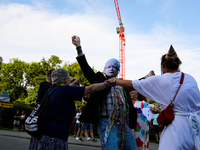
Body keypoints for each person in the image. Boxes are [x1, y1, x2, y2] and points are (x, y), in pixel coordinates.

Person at [107, 45, 200, 150]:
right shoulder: (190, 79)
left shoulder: (162, 80)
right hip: (196, 129)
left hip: (177, 131)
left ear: (163, 66)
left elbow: (134, 84)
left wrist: (114, 81)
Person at [72, 35, 140, 150]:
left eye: (115, 67)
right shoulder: (99, 79)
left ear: (118, 70)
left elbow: (138, 83)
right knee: (111, 147)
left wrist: (148, 76)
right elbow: (86, 68)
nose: (112, 69)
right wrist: (78, 47)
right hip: (107, 122)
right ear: (104, 69)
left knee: (132, 147)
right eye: (109, 66)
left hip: (123, 124)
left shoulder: (122, 83)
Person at [29, 68, 111, 150]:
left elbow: (64, 90)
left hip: (41, 136)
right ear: (65, 79)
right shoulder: (64, 90)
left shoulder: (51, 90)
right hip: (54, 137)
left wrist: (74, 83)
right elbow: (90, 89)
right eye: (68, 79)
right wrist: (108, 83)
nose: (69, 80)